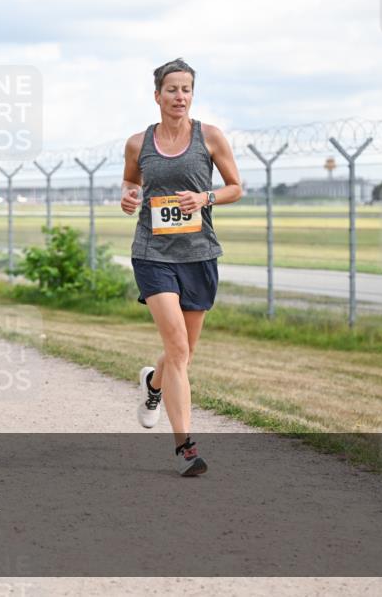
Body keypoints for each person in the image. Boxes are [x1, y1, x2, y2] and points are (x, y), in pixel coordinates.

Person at [121, 58, 242, 477]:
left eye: (186, 89)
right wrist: (128, 197)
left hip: (199, 255)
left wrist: (204, 198)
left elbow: (236, 188)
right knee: (177, 348)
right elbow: (131, 183)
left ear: (193, 94)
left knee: (183, 355)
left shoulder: (209, 137)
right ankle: (185, 447)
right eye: (171, 89)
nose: (179, 96)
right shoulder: (139, 143)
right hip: (153, 254)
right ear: (157, 95)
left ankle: (154, 384)